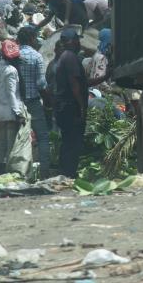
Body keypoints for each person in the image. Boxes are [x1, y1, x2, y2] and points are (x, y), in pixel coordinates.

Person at [54, 28, 89, 177]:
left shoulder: (64, 57)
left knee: (68, 141)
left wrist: (105, 75)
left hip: (64, 106)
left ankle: (66, 172)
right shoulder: (71, 58)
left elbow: (83, 83)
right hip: (70, 106)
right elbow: (75, 85)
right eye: (77, 39)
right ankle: (68, 174)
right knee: (72, 142)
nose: (79, 42)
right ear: (72, 41)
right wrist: (81, 106)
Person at [17, 26, 50, 175]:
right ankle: (44, 171)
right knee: (42, 136)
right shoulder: (36, 56)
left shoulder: (13, 55)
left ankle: (20, 170)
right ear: (31, 39)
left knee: (19, 137)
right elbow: (41, 84)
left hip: (17, 103)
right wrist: (48, 102)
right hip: (34, 102)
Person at [0, 40, 26, 175]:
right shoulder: (11, 70)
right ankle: (9, 173)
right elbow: (12, 93)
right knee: (11, 145)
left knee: (2, 145)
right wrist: (18, 113)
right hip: (10, 112)